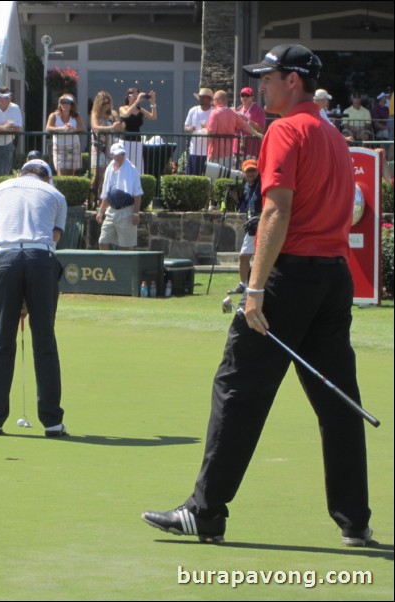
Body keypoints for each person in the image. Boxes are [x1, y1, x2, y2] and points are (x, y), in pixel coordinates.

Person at [142, 44, 374, 548]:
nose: (262, 86)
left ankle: (205, 512)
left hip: (290, 278)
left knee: (238, 388)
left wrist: (254, 288)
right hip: (334, 279)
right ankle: (354, 519)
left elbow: (276, 212)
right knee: (338, 400)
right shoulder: (333, 135)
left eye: (268, 77)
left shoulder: (286, 130)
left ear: (294, 81)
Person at [0, 158, 67, 437]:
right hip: (41, 259)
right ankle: (52, 422)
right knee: (44, 339)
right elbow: (53, 237)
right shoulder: (56, 195)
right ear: (46, 177)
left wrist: (17, 293)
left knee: (1, 339)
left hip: (5, 258)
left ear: (21, 172)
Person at [96, 143, 144, 250]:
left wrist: (136, 213)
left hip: (126, 211)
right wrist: (101, 211)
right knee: (102, 241)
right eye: (118, 155)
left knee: (125, 246)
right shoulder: (109, 169)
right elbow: (106, 193)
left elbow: (137, 194)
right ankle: (107, 266)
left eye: (122, 154)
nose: (120, 157)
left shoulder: (132, 169)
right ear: (111, 155)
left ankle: (123, 267)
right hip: (111, 211)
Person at [227, 159, 262, 295]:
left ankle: (257, 283)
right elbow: (244, 206)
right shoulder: (246, 186)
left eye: (253, 170)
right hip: (251, 225)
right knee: (243, 256)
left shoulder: (261, 183)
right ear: (244, 173)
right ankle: (243, 284)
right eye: (248, 171)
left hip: (261, 224)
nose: (251, 174)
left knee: (260, 257)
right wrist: (236, 198)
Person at [207, 90, 261, 169]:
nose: (213, 102)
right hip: (228, 153)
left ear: (218, 100)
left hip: (215, 152)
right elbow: (245, 126)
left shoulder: (214, 113)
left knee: (212, 178)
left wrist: (204, 132)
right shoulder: (233, 113)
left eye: (214, 100)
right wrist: (257, 134)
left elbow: (211, 133)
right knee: (225, 177)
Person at [118, 87, 157, 173]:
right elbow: (126, 114)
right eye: (134, 94)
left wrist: (153, 103)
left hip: (137, 141)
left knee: (137, 166)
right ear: (128, 97)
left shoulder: (140, 110)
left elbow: (153, 117)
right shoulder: (123, 108)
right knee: (124, 165)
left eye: (137, 94)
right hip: (125, 141)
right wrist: (137, 101)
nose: (136, 96)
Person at [184, 88, 214, 175]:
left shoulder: (214, 111)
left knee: (208, 178)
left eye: (204, 97)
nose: (201, 99)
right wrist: (190, 129)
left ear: (209, 99)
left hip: (209, 152)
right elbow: (186, 126)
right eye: (200, 97)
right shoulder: (193, 110)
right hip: (194, 151)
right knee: (193, 176)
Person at [234, 87, 266, 160]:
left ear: (252, 97)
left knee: (250, 171)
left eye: (247, 95)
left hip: (252, 150)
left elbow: (261, 129)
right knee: (237, 171)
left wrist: (246, 119)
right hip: (238, 149)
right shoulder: (238, 109)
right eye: (242, 95)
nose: (244, 97)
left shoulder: (258, 109)